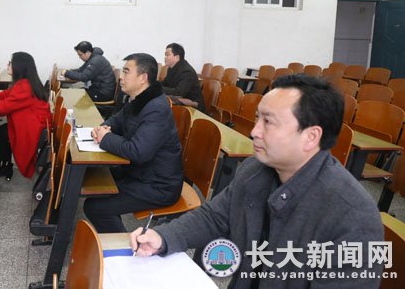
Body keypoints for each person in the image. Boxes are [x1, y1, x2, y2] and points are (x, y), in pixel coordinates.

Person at [131, 74, 385, 288]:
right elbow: (215, 216)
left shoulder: (353, 218)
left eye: (268, 122)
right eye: (257, 119)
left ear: (310, 137)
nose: (254, 132)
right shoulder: (256, 169)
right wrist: (164, 237)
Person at [84, 53, 183, 233]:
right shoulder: (138, 100)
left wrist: (105, 138)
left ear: (143, 78)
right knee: (95, 177)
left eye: (126, 72)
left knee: (95, 207)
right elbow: (117, 120)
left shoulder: (156, 109)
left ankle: (124, 247)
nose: (121, 77)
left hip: (158, 185)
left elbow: (138, 151)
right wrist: (103, 128)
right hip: (139, 172)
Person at [0, 52, 51, 180]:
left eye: (10, 63)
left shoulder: (25, 86)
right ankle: (1, 166)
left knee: (1, 134)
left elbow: (4, 107)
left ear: (18, 66)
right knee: (1, 134)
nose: (7, 65)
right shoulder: (25, 82)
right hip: (32, 123)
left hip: (33, 129)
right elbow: (7, 94)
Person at [161, 43, 204, 111]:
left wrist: (158, 88)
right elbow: (164, 83)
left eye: (167, 55)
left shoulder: (187, 71)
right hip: (180, 103)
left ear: (177, 57)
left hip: (192, 107)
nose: (165, 57)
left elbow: (179, 92)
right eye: (165, 55)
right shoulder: (171, 68)